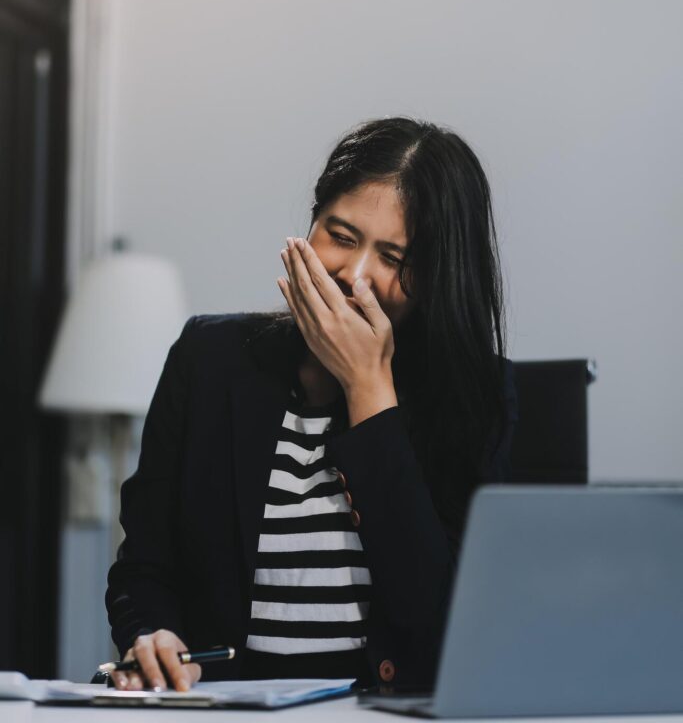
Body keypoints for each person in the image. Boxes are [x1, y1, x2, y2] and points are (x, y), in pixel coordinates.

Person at [105, 115, 518, 694]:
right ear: (311, 226)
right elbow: (144, 565)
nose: (356, 276)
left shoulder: (474, 396)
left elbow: (437, 622)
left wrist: (369, 389)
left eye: (395, 259)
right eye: (341, 236)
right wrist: (151, 634)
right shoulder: (208, 359)